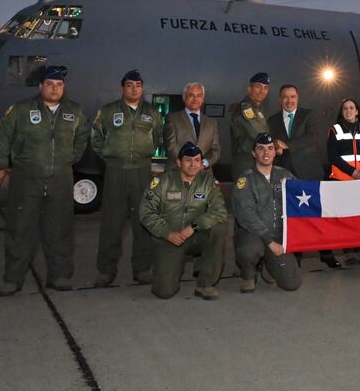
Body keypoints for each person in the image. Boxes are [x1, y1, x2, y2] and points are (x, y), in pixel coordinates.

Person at [0, 65, 89, 296]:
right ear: (41, 86)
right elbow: (2, 136)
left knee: (60, 230)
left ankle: (60, 276)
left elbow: (83, 136)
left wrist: (70, 158)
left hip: (61, 178)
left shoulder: (74, 111)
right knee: (20, 229)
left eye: (59, 85)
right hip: (26, 177)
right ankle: (13, 279)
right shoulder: (22, 109)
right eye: (50, 84)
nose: (55, 89)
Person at [90, 69, 163, 287]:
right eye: (130, 85)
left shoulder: (152, 113)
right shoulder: (108, 111)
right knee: (112, 224)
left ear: (142, 88)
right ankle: (105, 271)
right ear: (122, 88)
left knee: (143, 222)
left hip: (142, 171)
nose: (134, 89)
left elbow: (158, 137)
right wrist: (112, 157)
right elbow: (96, 138)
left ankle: (142, 270)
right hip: (115, 172)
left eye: (138, 85)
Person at [138, 142, 228, 300]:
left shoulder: (208, 183)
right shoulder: (162, 182)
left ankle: (205, 284)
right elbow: (146, 212)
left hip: (195, 235)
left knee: (219, 229)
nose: (193, 164)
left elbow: (219, 212)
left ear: (201, 164)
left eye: (197, 160)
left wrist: (194, 226)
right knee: (164, 292)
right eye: (188, 160)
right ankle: (167, 267)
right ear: (179, 162)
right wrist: (167, 233)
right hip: (169, 238)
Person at [268, 85, 339, 269]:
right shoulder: (272, 120)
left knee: (318, 214)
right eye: (285, 97)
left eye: (292, 96)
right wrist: (275, 147)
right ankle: (296, 254)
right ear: (279, 100)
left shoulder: (309, 115)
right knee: (293, 216)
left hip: (310, 173)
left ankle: (326, 253)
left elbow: (312, 138)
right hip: (285, 175)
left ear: (298, 98)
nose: (289, 100)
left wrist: (287, 144)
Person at [232, 133, 301, 293]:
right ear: (253, 153)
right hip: (253, 235)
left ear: (275, 152)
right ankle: (248, 274)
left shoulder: (285, 175)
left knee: (292, 283)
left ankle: (269, 266)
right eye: (261, 149)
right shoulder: (245, 180)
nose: (266, 153)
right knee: (249, 250)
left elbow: (304, 195)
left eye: (270, 148)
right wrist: (270, 242)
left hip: (277, 236)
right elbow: (246, 215)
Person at [327, 97, 360, 265]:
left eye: (351, 108)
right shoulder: (335, 130)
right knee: (345, 219)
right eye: (345, 108)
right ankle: (348, 253)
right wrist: (352, 172)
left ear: (357, 111)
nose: (348, 111)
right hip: (342, 181)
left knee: (358, 218)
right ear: (341, 112)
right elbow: (333, 156)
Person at [163, 81, 221, 172]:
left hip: (203, 174)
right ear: (184, 97)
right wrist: (187, 164)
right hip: (177, 172)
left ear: (202, 99)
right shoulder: (172, 118)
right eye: (191, 95)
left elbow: (216, 149)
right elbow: (170, 146)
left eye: (199, 96)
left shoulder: (212, 122)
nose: (195, 99)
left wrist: (204, 163)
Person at [230, 72, 270, 180]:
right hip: (246, 164)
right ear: (249, 88)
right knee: (244, 196)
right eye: (258, 87)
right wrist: (274, 145)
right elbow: (258, 134)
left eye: (266, 88)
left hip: (257, 162)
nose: (262, 91)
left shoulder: (259, 109)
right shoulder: (245, 108)